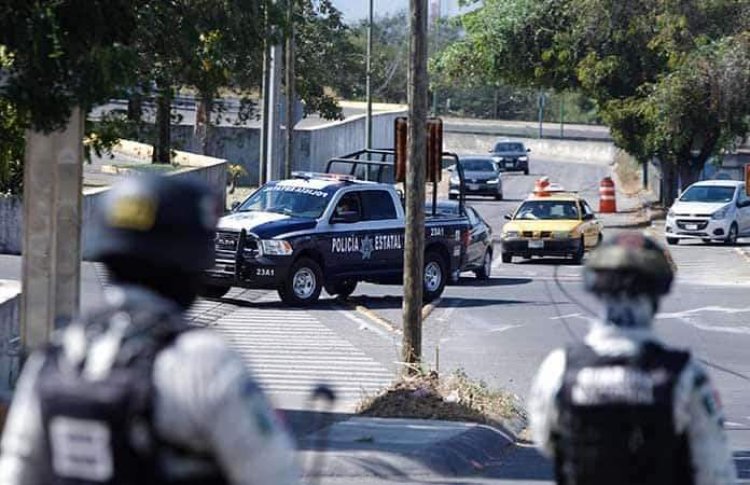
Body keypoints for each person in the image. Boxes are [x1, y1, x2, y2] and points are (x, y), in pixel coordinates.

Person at [0, 175, 300, 485]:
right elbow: (275, 474)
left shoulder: (56, 356)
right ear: (193, 260)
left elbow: (16, 471)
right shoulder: (204, 362)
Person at [529, 232, 736, 485]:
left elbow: (546, 441)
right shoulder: (685, 375)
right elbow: (714, 471)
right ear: (660, 290)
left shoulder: (559, 368)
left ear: (594, 285)